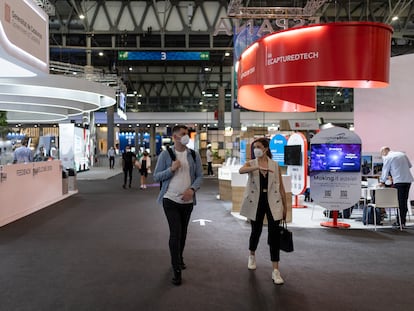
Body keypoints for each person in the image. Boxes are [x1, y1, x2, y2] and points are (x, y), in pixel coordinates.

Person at [153, 124, 203, 286]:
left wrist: (192, 189)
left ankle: (179, 257)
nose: (186, 136)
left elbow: (200, 176)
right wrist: (171, 169)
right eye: (183, 134)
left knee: (183, 233)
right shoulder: (165, 155)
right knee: (175, 233)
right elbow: (156, 177)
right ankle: (176, 269)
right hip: (170, 200)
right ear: (175, 137)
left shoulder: (194, 155)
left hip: (187, 201)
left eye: (187, 133)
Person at [239, 137, 288, 285]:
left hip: (273, 202)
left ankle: (275, 270)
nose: (256, 150)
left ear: (266, 148)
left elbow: (280, 187)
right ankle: (252, 254)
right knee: (256, 231)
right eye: (254, 147)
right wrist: (257, 168)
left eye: (258, 147)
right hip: (257, 202)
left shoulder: (275, 164)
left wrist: (285, 207)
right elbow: (241, 170)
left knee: (274, 235)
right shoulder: (251, 163)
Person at [379, 146, 414, 227]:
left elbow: (385, 171)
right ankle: (402, 221)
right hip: (408, 180)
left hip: (399, 181)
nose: (382, 156)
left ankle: (400, 222)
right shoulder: (402, 154)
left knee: (400, 202)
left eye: (382, 154)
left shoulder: (388, 157)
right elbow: (409, 165)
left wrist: (382, 182)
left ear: (384, 152)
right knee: (404, 201)